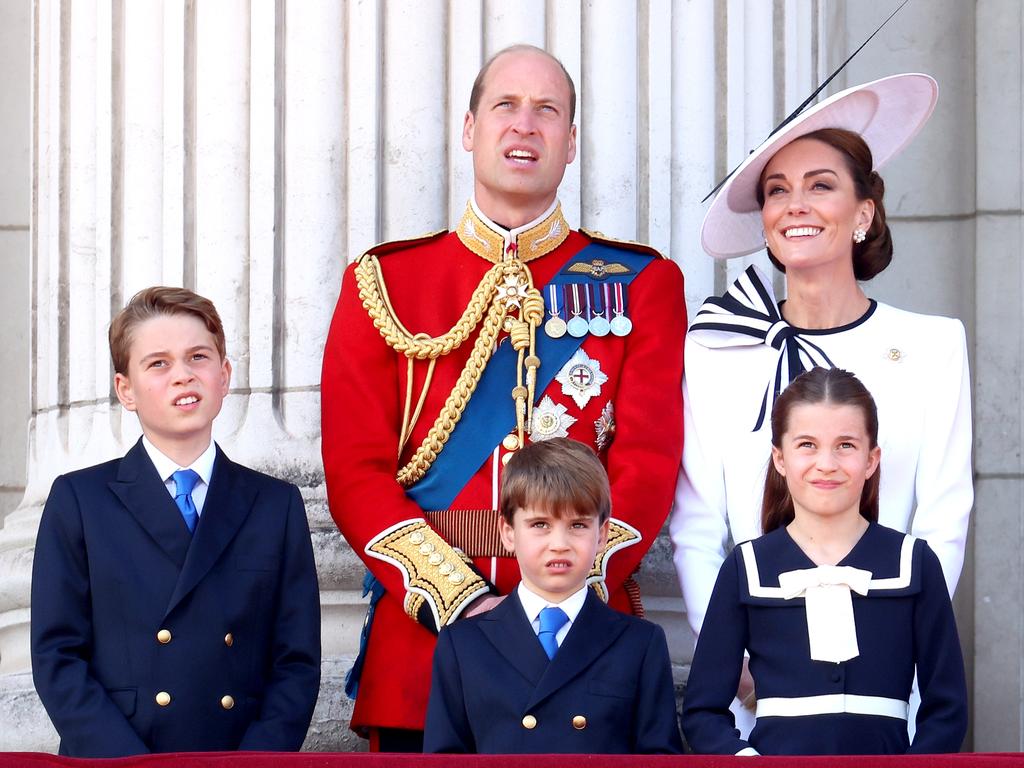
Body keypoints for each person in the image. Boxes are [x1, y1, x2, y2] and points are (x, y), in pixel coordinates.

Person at [321, 44, 685, 750]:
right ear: (469, 129)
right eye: (506, 107)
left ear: (571, 142)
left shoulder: (642, 283)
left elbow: (647, 463)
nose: (526, 125)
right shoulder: (384, 282)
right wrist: (459, 601)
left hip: (585, 648)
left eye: (547, 110)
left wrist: (568, 595)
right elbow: (354, 472)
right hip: (424, 651)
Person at [670, 74, 972, 729]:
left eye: (821, 185)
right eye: (778, 191)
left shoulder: (933, 345)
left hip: (890, 684)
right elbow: (696, 528)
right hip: (759, 684)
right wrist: (732, 652)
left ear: (863, 213)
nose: (795, 205)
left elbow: (944, 519)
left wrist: (899, 647)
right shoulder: (716, 348)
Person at [30, 287, 321, 757]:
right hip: (117, 760)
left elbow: (296, 663)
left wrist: (253, 764)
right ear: (126, 389)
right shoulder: (80, 500)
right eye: (158, 363)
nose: (183, 376)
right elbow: (57, 658)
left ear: (224, 376)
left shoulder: (275, 505)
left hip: (237, 759)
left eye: (198, 357)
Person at [681, 367, 967, 755]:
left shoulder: (914, 563)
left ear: (871, 459)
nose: (827, 463)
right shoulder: (746, 566)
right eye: (807, 445)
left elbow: (947, 710)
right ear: (780, 459)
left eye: (846, 445)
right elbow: (703, 712)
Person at [424, 438, 683, 754]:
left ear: (602, 534)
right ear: (508, 533)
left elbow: (658, 760)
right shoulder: (462, 644)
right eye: (540, 524)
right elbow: (444, 760)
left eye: (577, 525)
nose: (559, 543)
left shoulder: (639, 643)